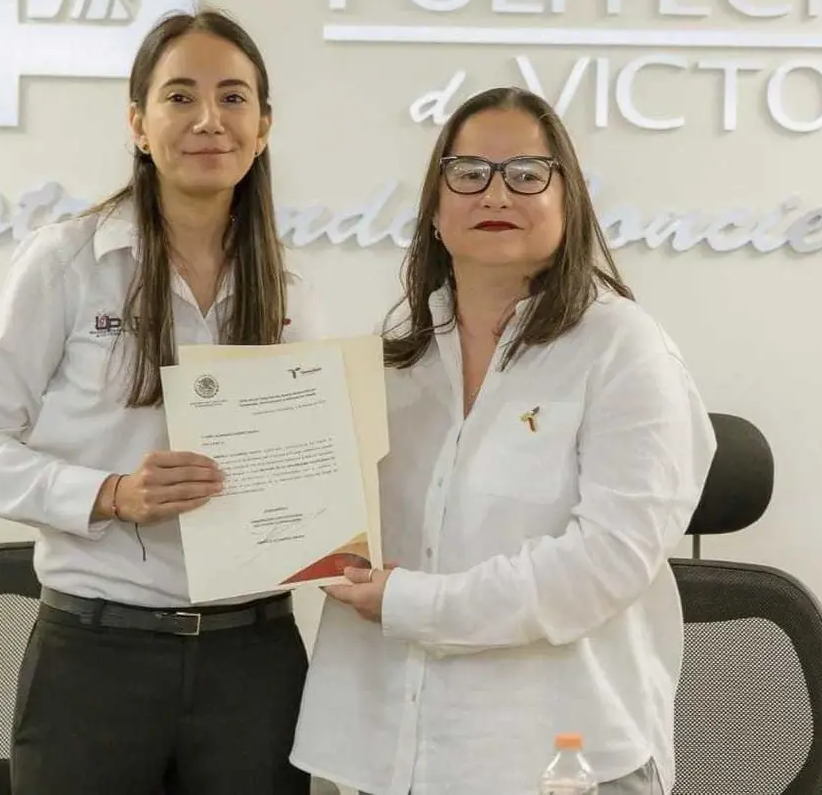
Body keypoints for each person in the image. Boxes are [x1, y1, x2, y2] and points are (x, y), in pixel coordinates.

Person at [291, 86, 718, 795]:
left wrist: (410, 602)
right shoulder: (385, 369)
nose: (495, 193)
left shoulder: (623, 350)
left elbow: (604, 564)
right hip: (385, 755)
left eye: (526, 174)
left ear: (567, 201)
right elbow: (311, 521)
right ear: (435, 208)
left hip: (558, 760)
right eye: (468, 173)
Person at [0, 9, 318, 795]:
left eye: (234, 98)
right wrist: (110, 494)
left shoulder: (284, 285)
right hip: (96, 656)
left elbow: (304, 463)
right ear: (139, 124)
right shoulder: (69, 262)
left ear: (265, 125)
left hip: (255, 659)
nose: (209, 120)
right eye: (180, 97)